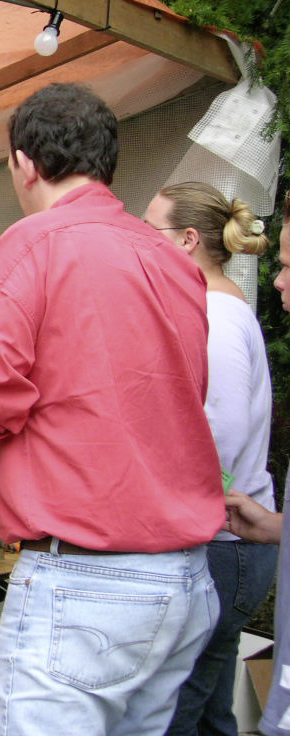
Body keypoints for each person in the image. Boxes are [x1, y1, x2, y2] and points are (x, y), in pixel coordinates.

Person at [0, 83, 225, 735]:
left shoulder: (28, 248)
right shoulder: (171, 260)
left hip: (87, 582)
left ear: (24, 163)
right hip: (183, 579)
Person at [142, 182, 277, 736]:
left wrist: (158, 501)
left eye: (150, 230)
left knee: (174, 711)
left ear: (188, 240)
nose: (140, 242)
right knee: (209, 713)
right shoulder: (212, 307)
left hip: (222, 546)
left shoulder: (215, 317)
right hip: (225, 543)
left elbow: (218, 435)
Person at [225, 189, 290, 736]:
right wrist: (274, 527)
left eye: (289, 267)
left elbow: (218, 437)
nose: (278, 282)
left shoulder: (218, 319)